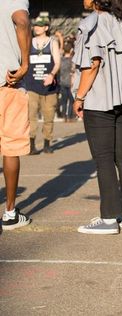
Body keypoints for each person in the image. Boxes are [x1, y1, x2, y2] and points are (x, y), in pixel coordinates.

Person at [73, 0, 122, 234]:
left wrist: (79, 96)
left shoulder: (90, 23)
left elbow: (93, 64)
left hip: (99, 100)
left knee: (104, 158)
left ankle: (108, 219)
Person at [0, 0, 32, 231]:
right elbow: (21, 20)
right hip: (7, 81)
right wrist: (25, 62)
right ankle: (10, 212)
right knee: (10, 147)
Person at [24, 16, 60, 154]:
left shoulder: (52, 42)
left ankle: (47, 143)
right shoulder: (29, 42)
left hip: (49, 88)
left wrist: (51, 75)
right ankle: (31, 144)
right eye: (35, 25)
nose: (36, 28)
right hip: (32, 85)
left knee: (48, 116)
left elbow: (57, 62)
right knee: (31, 116)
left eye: (40, 25)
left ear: (46, 27)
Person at [58, 41, 75, 121]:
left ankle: (64, 116)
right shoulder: (72, 60)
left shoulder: (61, 60)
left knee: (64, 100)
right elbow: (73, 71)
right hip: (70, 82)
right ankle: (70, 116)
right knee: (71, 101)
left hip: (62, 82)